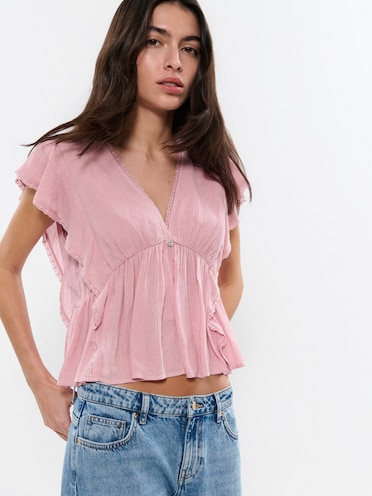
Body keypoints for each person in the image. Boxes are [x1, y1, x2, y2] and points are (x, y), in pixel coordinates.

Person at [0, 1, 251, 494]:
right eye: (155, 41)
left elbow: (229, 278)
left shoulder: (215, 165)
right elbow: (6, 266)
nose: (174, 61)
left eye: (190, 49)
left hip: (215, 425)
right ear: (125, 49)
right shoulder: (69, 160)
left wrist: (186, 334)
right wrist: (40, 385)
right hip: (117, 428)